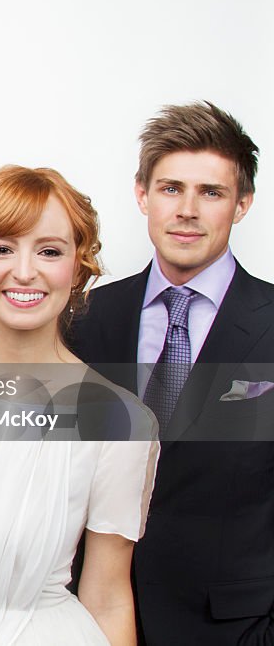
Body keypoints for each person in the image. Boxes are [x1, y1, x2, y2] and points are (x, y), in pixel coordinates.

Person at [0, 166, 157, 645]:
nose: (24, 271)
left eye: (49, 251)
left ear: (78, 265)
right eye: (3, 248)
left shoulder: (120, 418)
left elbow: (108, 594)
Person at [70, 102, 274, 644]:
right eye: (170, 188)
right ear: (142, 194)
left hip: (236, 627)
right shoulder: (85, 319)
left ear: (243, 203)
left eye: (211, 192)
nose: (187, 210)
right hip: (95, 618)